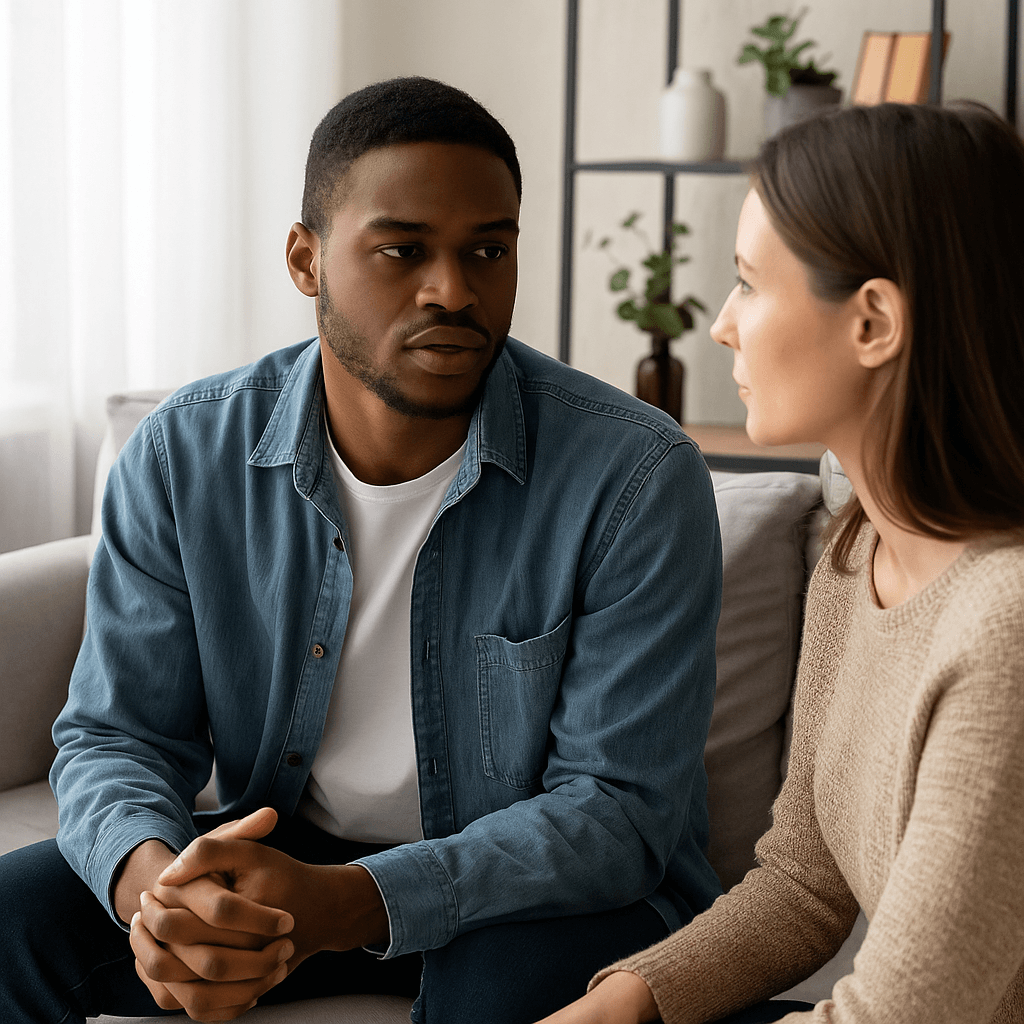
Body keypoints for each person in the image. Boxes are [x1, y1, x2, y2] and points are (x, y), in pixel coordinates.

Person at [0, 77, 725, 1024]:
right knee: (13, 918)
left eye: (488, 250)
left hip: (537, 891)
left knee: (495, 991)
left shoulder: (635, 476)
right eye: (402, 250)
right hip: (293, 860)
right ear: (306, 261)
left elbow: (618, 814)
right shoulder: (185, 455)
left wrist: (347, 905)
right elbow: (116, 735)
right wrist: (164, 899)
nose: (454, 290)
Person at [536, 99, 1024, 1024]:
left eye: (750, 284)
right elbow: (804, 881)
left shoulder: (1006, 629)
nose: (722, 325)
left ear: (874, 321)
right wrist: (625, 1003)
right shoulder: (859, 556)